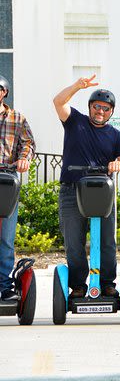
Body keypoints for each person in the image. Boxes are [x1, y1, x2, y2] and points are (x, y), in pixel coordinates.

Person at [53, 75, 120, 298]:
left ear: (111, 112)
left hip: (102, 192)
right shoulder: (75, 121)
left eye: (106, 109)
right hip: (72, 189)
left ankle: (107, 283)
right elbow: (58, 102)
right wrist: (77, 86)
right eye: (97, 106)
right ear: (90, 107)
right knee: (73, 242)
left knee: (107, 240)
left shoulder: (115, 135)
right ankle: (78, 285)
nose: (101, 111)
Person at [0, 75, 35, 301]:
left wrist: (24, 159)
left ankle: (4, 286)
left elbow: (29, 144)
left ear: (4, 92)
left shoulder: (17, 118)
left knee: (6, 237)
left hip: (7, 179)